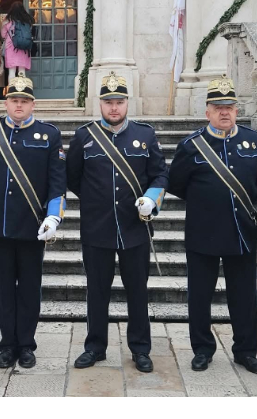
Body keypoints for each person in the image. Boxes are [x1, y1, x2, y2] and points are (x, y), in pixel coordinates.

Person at [167, 77, 257, 374]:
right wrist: (207, 200)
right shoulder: (191, 146)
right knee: (200, 298)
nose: (224, 112)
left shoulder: (253, 141)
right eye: (218, 107)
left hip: (242, 233)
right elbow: (176, 184)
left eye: (229, 107)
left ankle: (246, 351)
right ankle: (202, 349)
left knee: (244, 297)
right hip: (202, 232)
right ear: (208, 112)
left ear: (236, 109)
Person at [0, 76, 65, 368]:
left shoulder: (49, 135)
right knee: (4, 288)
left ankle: (26, 346)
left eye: (25, 101)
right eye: (14, 101)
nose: (19, 106)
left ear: (33, 104)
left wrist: (54, 215)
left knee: (30, 288)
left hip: (32, 225)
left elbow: (58, 181)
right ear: (6, 103)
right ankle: (7, 345)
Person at [67, 72, 168, 372]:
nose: (114, 108)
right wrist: (95, 201)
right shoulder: (84, 137)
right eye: (109, 102)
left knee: (137, 289)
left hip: (134, 227)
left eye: (119, 102)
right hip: (97, 228)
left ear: (127, 103)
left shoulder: (145, 135)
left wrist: (151, 199)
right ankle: (95, 347)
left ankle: (140, 348)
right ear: (100, 104)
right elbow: (73, 177)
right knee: (97, 290)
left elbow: (160, 174)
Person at [1, 4, 34, 77]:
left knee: (12, 71)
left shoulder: (8, 21)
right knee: (22, 71)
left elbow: (3, 35)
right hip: (24, 48)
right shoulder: (27, 21)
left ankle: (12, 88)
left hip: (11, 48)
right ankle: (22, 88)